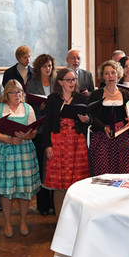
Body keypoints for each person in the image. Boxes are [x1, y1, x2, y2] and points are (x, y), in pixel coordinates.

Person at [0, 80, 41, 238]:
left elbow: (33, 132)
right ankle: (7, 222)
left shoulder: (28, 108)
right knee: (6, 190)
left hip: (24, 151)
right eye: (13, 92)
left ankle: (23, 221)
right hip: (5, 151)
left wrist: (27, 135)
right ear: (7, 94)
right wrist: (8, 139)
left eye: (19, 92)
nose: (17, 95)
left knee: (24, 189)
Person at [41, 68, 90, 216]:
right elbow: (47, 124)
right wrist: (47, 146)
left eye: (74, 80)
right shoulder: (53, 99)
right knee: (59, 184)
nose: (72, 83)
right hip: (58, 143)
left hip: (77, 144)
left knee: (78, 183)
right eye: (68, 80)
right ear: (60, 82)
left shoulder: (81, 99)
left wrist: (86, 120)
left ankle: (76, 219)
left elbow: (89, 120)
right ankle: (60, 220)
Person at [88, 60, 129, 175]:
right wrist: (104, 128)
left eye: (113, 72)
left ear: (118, 74)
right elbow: (91, 116)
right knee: (102, 173)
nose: (110, 76)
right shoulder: (96, 95)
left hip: (122, 138)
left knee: (123, 172)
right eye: (106, 73)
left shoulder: (126, 94)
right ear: (102, 76)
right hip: (101, 138)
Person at [26, 54, 56, 216]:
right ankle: (43, 205)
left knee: (53, 166)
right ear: (39, 68)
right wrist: (41, 107)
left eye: (50, 65)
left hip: (53, 129)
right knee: (41, 166)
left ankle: (54, 203)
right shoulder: (32, 84)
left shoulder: (56, 83)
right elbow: (29, 106)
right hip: (39, 129)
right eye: (45, 66)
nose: (48, 69)